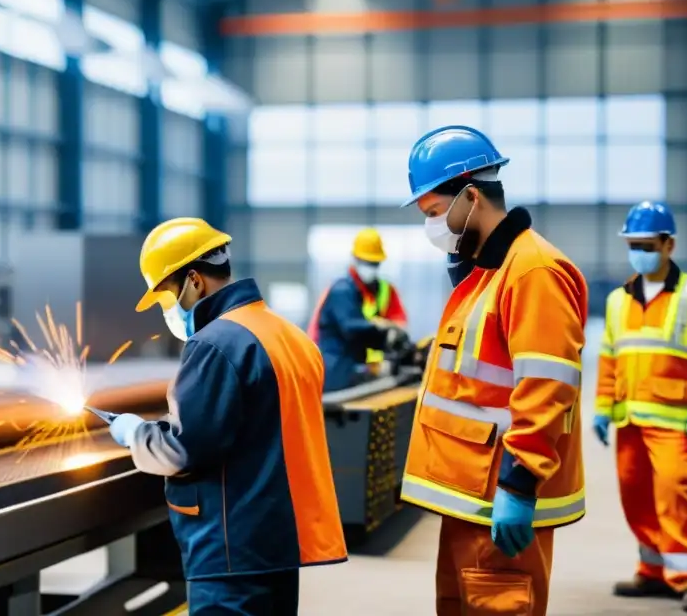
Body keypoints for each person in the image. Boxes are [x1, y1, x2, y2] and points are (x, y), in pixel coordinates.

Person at [106, 217, 347, 615]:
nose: (169, 308)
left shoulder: (216, 344)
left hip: (231, 549)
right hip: (277, 543)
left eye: (167, 296)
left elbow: (182, 450)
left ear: (195, 280)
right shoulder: (290, 337)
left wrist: (135, 433)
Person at [398, 125, 587, 616]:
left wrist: (520, 482)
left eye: (436, 213)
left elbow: (548, 385)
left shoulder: (533, 271)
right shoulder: (490, 272)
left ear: (471, 196)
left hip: (498, 496)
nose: (433, 226)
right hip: (468, 498)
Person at [594, 201, 687, 614]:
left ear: (669, 245)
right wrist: (602, 409)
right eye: (633, 244)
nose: (638, 251)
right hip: (628, 417)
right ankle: (654, 571)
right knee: (636, 494)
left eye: (646, 244)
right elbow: (609, 357)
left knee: (675, 490)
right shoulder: (616, 300)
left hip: (673, 418)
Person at [307, 227, 410, 391]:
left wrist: (391, 337)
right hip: (336, 374)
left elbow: (397, 322)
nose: (370, 267)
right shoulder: (342, 291)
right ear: (354, 259)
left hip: (356, 370)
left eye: (374, 263)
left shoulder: (377, 290)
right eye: (366, 262)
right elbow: (350, 327)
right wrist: (379, 326)